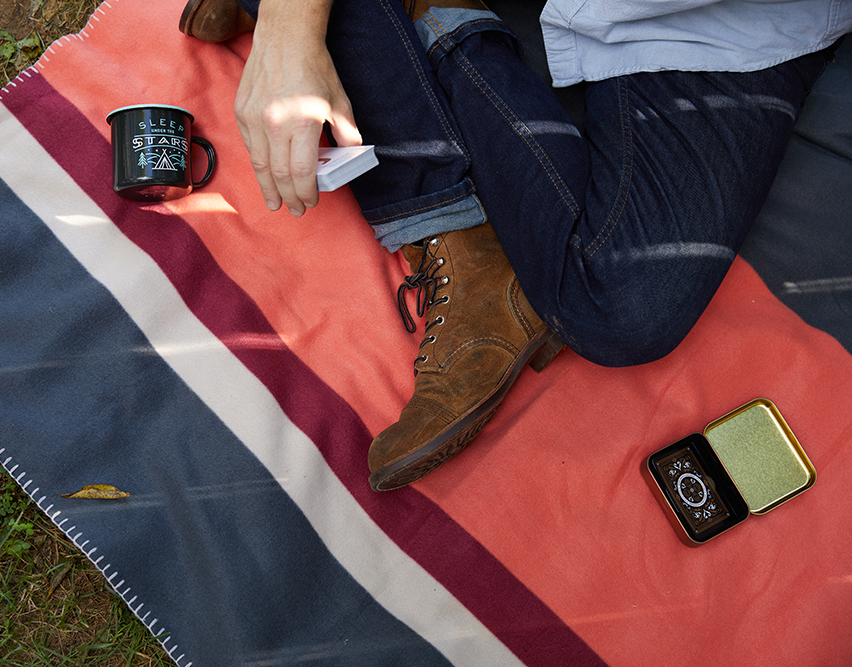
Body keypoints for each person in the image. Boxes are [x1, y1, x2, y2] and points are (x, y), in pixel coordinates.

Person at [179, 0, 851, 491]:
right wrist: (292, 34)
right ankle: (452, 230)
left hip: (728, 19)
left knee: (625, 308)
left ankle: (442, 17)